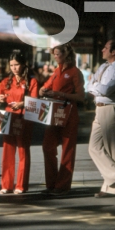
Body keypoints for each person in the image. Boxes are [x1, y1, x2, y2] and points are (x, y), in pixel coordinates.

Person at [40, 43, 85, 196]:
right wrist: (43, 90)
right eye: (54, 54)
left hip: (69, 113)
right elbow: (46, 86)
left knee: (68, 150)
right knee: (47, 146)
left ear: (66, 54)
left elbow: (81, 97)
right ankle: (51, 183)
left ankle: (63, 185)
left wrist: (60, 94)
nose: (55, 57)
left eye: (58, 54)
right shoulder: (56, 72)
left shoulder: (75, 72)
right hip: (54, 112)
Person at [87, 40, 115, 198]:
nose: (102, 49)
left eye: (105, 47)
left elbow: (105, 89)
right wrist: (97, 87)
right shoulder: (103, 66)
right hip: (99, 109)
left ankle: (111, 187)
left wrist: (96, 86)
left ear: (114, 52)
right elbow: (89, 86)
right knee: (93, 147)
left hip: (111, 109)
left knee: (111, 149)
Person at [0, 51, 38, 194]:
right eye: (11, 65)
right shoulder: (6, 81)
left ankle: (21, 185)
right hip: (8, 118)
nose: (14, 68)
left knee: (23, 150)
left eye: (16, 65)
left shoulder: (32, 81)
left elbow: (35, 99)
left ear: (23, 64)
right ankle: (6, 184)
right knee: (7, 150)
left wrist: (22, 103)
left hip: (24, 118)